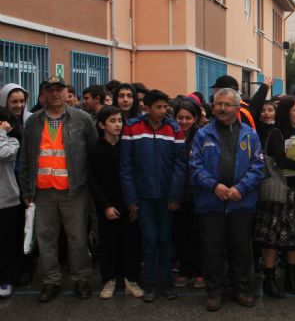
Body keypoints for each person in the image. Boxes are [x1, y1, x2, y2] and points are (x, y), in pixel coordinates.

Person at [19, 76, 97, 302]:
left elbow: (93, 154)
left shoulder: (82, 119)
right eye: (50, 90)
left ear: (66, 92)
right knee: (46, 238)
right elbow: (25, 158)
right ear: (43, 94)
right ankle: (50, 281)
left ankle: (81, 279)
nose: (54, 93)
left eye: (59, 89)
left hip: (75, 191)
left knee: (78, 238)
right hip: (43, 191)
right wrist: (27, 191)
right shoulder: (33, 122)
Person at [189, 88, 265, 311]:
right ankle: (215, 292)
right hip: (210, 203)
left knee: (241, 250)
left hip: (241, 203)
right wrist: (214, 186)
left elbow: (258, 166)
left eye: (227, 104)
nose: (222, 108)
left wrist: (241, 188)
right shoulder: (202, 134)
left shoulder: (250, 135)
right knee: (212, 250)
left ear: (237, 108)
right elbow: (194, 166)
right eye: (218, 104)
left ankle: (241, 289)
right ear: (213, 107)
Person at [120, 89, 186, 303]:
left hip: (166, 196)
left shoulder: (174, 129)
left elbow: (180, 165)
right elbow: (126, 166)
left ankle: (166, 283)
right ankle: (150, 283)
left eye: (165, 106)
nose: (163, 110)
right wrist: (131, 199)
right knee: (149, 240)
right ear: (147, 108)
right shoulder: (132, 128)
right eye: (158, 107)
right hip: (143, 196)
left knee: (165, 240)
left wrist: (175, 195)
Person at [254, 96, 295, 298]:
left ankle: (291, 278)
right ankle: (270, 280)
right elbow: (280, 160)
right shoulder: (276, 133)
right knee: (272, 239)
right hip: (279, 189)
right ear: (286, 112)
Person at [88, 105, 144, 299]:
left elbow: (135, 175)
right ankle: (109, 280)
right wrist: (106, 206)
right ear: (102, 125)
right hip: (106, 206)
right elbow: (93, 181)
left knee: (131, 243)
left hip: (128, 203)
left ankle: (131, 279)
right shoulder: (95, 149)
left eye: (120, 120)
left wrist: (133, 203)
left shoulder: (127, 146)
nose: (118, 124)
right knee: (108, 244)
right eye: (112, 121)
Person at [173, 101, 204, 289]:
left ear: (195, 119)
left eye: (188, 118)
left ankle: (200, 272)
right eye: (180, 118)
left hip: (198, 192)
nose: (184, 122)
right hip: (177, 193)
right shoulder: (171, 135)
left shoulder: (201, 136)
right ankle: (185, 271)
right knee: (181, 234)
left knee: (197, 234)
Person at [0, 107, 22, 298]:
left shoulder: (12, 142)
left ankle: (7, 279)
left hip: (7, 200)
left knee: (6, 243)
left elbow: (3, 153)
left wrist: (2, 133)